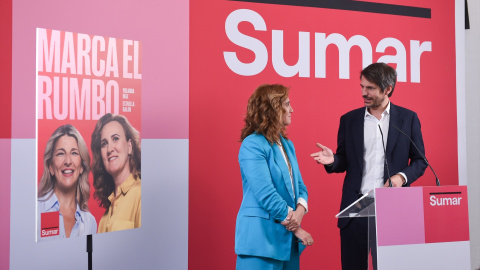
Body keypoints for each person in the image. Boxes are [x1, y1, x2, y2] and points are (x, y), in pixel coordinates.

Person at [310, 62, 428, 270]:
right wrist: (333, 160)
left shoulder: (408, 119)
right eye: (362, 87)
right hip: (356, 209)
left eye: (370, 88)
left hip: (393, 210)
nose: (364, 93)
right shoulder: (349, 120)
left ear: (388, 89)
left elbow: (420, 161)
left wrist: (401, 177)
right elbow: (344, 160)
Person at [235, 84, 314, 270]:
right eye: (287, 104)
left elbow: (300, 187)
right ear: (272, 108)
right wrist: (296, 227)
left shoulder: (287, 144)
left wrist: (300, 211)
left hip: (287, 244)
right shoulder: (252, 145)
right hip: (261, 241)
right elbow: (266, 194)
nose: (292, 109)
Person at [37, 124, 97, 239]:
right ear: (51, 166)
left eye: (74, 153)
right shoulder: (36, 211)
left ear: (81, 167)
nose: (68, 161)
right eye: (60, 153)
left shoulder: (90, 222)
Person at [91, 113, 141, 233]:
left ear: (129, 146)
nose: (109, 149)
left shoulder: (141, 194)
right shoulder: (104, 217)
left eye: (115, 139)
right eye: (104, 143)